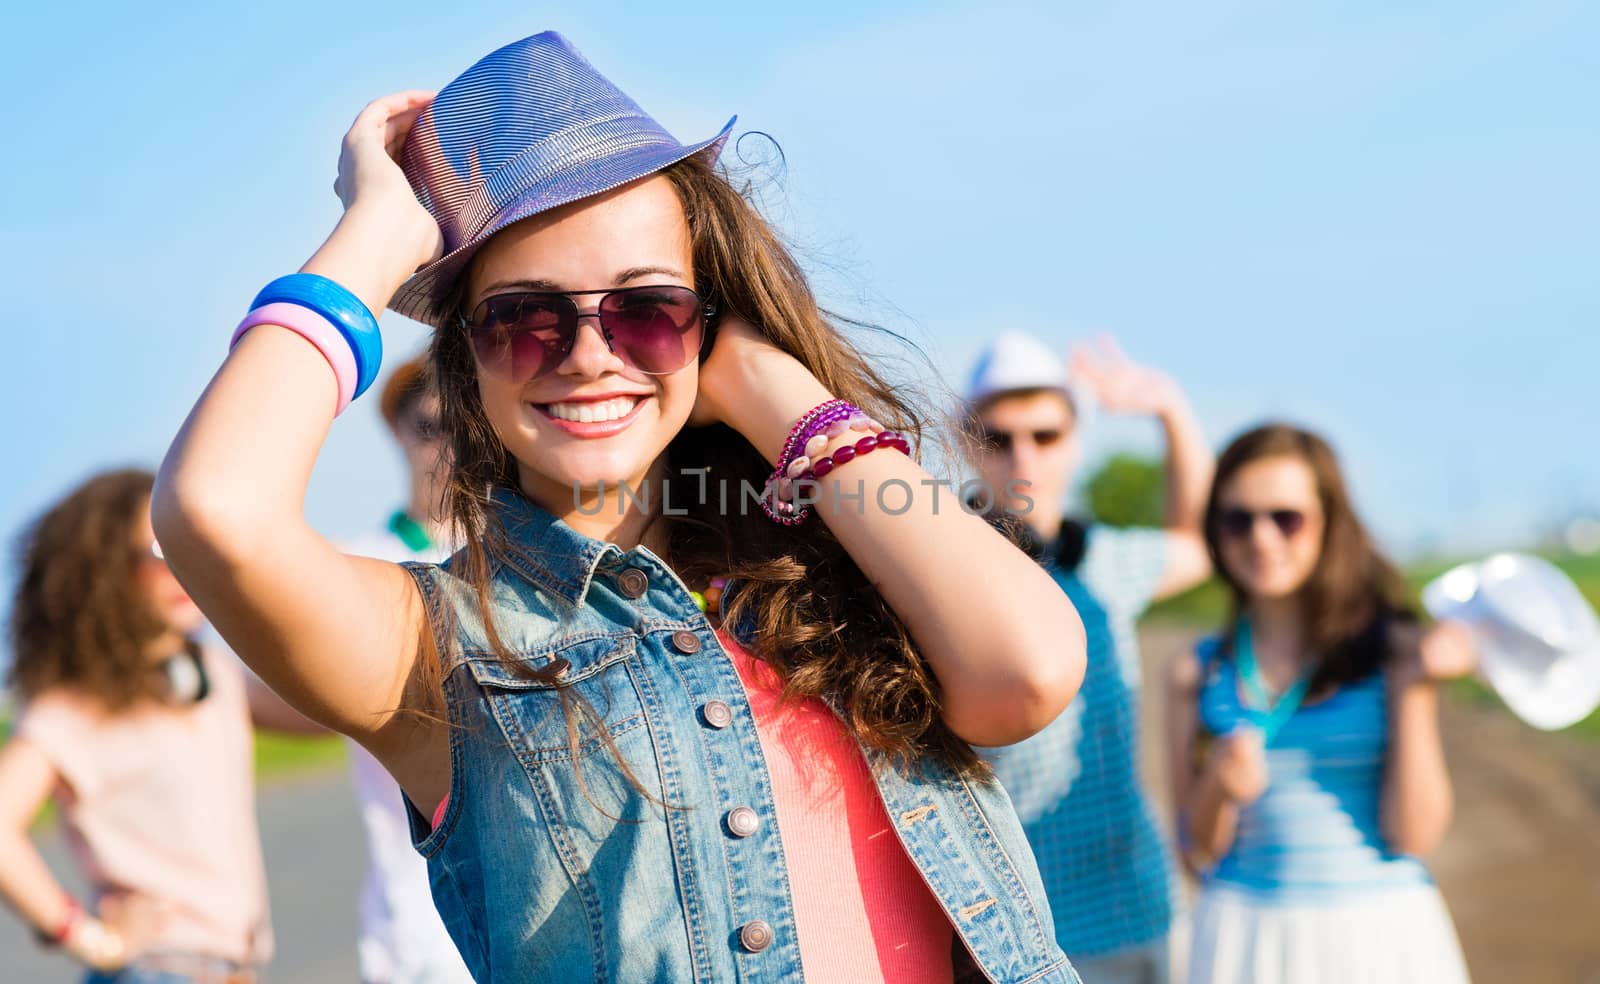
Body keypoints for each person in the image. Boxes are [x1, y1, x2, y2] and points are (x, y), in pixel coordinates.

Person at [153, 31, 1089, 984]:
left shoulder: (837, 569)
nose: (590, 353)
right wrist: (377, 237)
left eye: (648, 309)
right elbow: (216, 508)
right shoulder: (436, 645)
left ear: (710, 325)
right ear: (467, 361)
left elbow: (1030, 670)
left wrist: (776, 393)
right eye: (524, 318)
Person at [1165, 424, 1473, 984]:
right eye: (1238, 518)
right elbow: (1194, 853)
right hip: (1244, 938)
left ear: (1330, 523)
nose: (1261, 538)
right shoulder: (1198, 669)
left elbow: (1416, 836)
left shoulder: (1397, 651)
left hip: (1381, 935)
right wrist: (1219, 789)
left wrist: (1419, 689)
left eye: (1286, 517)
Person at [0, 469, 316, 983]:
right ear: (101, 573)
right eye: (155, 555)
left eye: (185, 547)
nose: (178, 570)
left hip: (236, 968)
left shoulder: (211, 675)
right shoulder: (75, 706)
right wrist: (88, 938)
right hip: (156, 969)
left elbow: (329, 712)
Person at [969, 331, 1213, 983]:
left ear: (1075, 441)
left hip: (1139, 901)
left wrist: (1170, 410)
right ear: (966, 442)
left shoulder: (1105, 561)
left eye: (1044, 436)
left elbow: (1200, 541)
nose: (1023, 456)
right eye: (998, 438)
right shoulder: (952, 568)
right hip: (1016, 919)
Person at [339, 355, 474, 984]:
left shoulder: (528, 552)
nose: (448, 443)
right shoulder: (359, 565)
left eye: (465, 423)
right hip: (417, 920)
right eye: (430, 425)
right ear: (397, 431)